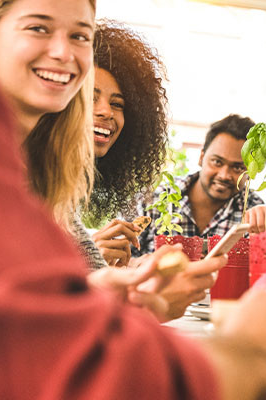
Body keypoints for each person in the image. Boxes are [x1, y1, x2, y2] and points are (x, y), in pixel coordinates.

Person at [0, 1, 266, 399]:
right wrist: (256, 355)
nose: (63, 53)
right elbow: (75, 367)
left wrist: (109, 289)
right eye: (38, 28)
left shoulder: (44, 179)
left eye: (80, 36)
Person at [84, 19, 170, 268]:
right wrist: (89, 257)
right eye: (91, 97)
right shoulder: (29, 176)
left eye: (117, 104)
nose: (106, 112)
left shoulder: (85, 188)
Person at [134, 114, 264, 256]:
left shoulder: (253, 208)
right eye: (217, 162)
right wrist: (139, 264)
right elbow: (118, 260)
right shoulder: (154, 199)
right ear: (201, 157)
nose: (224, 175)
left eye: (238, 168)